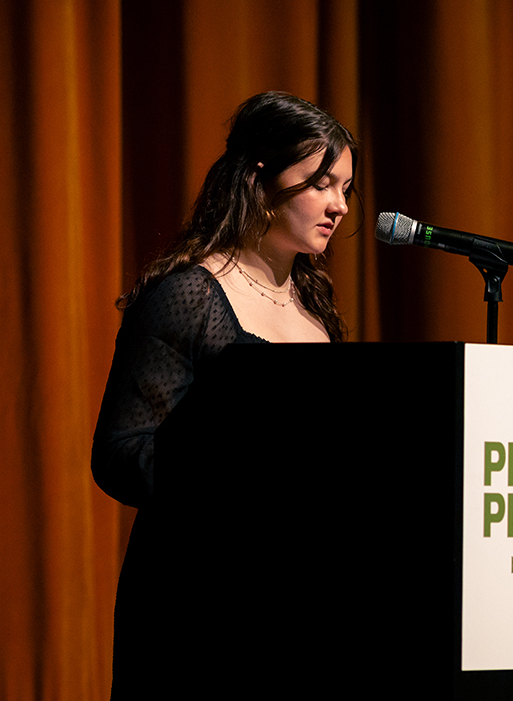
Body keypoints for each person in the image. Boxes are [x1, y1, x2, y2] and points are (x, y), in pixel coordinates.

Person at [90, 91, 357, 696]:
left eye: (346, 188)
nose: (339, 206)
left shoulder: (315, 307)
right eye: (321, 183)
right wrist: (237, 472)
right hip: (199, 600)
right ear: (259, 178)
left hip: (295, 601)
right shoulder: (189, 296)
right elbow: (119, 453)